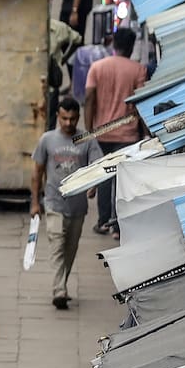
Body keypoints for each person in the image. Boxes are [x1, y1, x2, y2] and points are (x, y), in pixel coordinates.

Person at [32, 99, 103, 310]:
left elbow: (97, 166)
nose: (68, 123)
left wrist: (93, 185)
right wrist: (35, 202)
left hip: (78, 206)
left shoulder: (87, 139)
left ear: (78, 118)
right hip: (54, 202)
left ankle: (61, 283)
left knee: (70, 249)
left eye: (72, 119)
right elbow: (37, 172)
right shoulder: (47, 140)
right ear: (58, 117)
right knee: (57, 246)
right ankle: (59, 290)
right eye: (64, 118)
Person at [82, 28, 147, 237]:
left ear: (113, 44)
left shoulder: (97, 67)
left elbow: (89, 99)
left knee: (104, 176)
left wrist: (89, 131)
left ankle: (103, 221)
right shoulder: (138, 70)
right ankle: (118, 226)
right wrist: (146, 133)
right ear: (131, 47)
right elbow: (140, 103)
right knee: (122, 180)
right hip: (127, 133)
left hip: (101, 131)